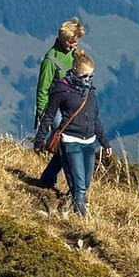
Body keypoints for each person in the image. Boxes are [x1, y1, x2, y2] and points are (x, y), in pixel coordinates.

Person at [32, 50, 112, 216]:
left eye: (91, 76)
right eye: (84, 76)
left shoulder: (90, 91)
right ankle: (82, 219)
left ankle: (69, 206)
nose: (87, 80)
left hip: (90, 143)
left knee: (85, 183)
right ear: (74, 71)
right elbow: (49, 116)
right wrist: (39, 139)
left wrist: (105, 142)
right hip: (70, 142)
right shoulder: (61, 89)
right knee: (79, 185)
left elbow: (95, 118)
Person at [33, 18, 84, 190]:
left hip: (70, 105)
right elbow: (43, 89)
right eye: (71, 43)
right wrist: (42, 114)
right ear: (62, 39)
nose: (73, 46)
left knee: (65, 144)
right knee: (65, 142)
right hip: (55, 107)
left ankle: (48, 178)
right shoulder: (50, 59)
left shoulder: (75, 54)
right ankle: (59, 181)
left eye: (75, 42)